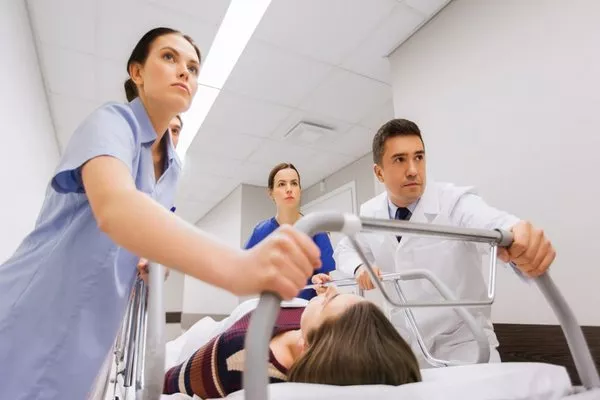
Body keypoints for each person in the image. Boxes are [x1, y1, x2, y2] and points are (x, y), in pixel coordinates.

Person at [0, 27, 321, 400]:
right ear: (136, 72)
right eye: (169, 57)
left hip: (96, 325)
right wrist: (236, 268)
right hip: (38, 305)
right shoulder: (111, 122)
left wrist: (157, 262)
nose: (184, 71)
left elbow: (152, 232)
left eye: (193, 67)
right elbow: (116, 207)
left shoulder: (172, 166)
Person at [334, 118, 556, 366]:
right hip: (407, 348)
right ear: (379, 172)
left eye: (419, 157)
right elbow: (344, 248)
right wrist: (359, 268)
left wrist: (517, 236)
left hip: (465, 346)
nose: (413, 169)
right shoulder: (369, 212)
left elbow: (492, 222)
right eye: (400, 159)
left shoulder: (454, 202)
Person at [162, 274, 421, 398]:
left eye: (328, 302)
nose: (328, 291)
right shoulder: (310, 321)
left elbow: (171, 381)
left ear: (309, 346)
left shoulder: (237, 360)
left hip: (188, 347)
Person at [244, 163, 336, 300]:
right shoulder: (260, 232)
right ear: (271, 193)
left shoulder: (317, 231)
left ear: (300, 189)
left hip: (307, 312)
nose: (289, 189)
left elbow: (325, 278)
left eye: (294, 183)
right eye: (281, 184)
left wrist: (321, 283)